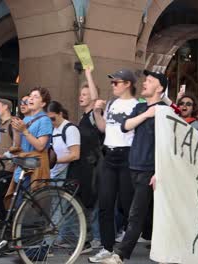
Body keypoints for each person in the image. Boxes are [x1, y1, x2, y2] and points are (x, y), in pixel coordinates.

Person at [102, 70, 169, 264]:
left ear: (160, 88)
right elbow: (125, 126)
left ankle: (120, 255)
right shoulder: (141, 108)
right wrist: (147, 113)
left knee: (136, 212)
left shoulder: (165, 110)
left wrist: (159, 171)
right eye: (145, 80)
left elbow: (166, 145)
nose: (145, 83)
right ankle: (162, 243)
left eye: (150, 81)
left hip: (149, 168)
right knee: (141, 210)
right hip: (132, 164)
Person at [89, 69, 139, 263]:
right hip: (109, 155)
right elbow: (103, 128)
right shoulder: (111, 103)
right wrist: (97, 111)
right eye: (112, 83)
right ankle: (107, 247)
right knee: (105, 205)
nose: (113, 86)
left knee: (127, 205)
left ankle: (125, 246)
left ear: (127, 83)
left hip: (127, 155)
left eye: (116, 82)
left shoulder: (138, 105)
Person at [5, 87, 53, 207]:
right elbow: (18, 145)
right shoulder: (26, 118)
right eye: (31, 96)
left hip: (34, 165)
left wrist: (24, 131)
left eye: (36, 97)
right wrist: (16, 131)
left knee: (25, 204)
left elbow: (41, 146)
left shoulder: (45, 120)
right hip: (23, 164)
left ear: (43, 103)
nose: (31, 99)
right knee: (18, 203)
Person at [78, 67, 104, 249]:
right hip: (85, 164)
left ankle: (98, 238)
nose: (82, 96)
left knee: (95, 201)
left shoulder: (95, 116)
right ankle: (89, 237)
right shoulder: (83, 117)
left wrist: (88, 73)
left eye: (85, 94)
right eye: (81, 93)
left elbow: (96, 100)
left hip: (96, 164)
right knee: (87, 200)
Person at [0, 98, 15, 220]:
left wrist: (4, 155)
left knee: (0, 197)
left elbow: (17, 145)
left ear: (5, 107)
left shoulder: (13, 123)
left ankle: (5, 224)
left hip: (7, 167)